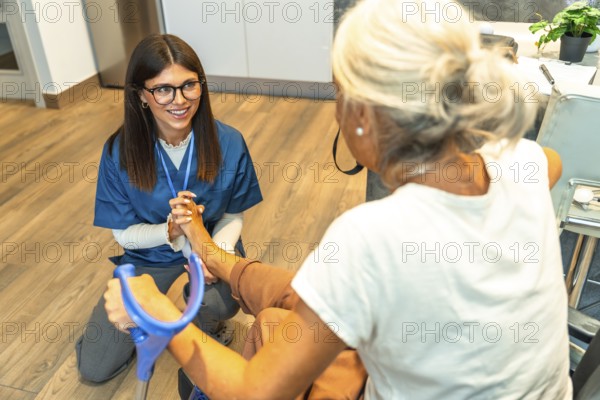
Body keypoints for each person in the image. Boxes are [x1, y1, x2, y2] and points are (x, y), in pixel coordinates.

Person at [104, 0, 572, 398]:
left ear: (363, 113)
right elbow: (553, 162)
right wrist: (206, 249)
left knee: (271, 325)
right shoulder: (526, 164)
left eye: (337, 93)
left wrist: (160, 312)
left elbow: (255, 390)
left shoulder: (370, 238)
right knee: (294, 302)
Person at [77, 34, 262, 383]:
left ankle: (205, 324)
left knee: (218, 303)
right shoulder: (119, 151)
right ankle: (154, 322)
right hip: (149, 256)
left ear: (201, 86)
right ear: (142, 96)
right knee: (95, 367)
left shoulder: (229, 141)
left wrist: (215, 254)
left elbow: (233, 213)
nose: (179, 101)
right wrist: (169, 231)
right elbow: (124, 234)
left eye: (189, 85)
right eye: (163, 89)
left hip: (211, 247)